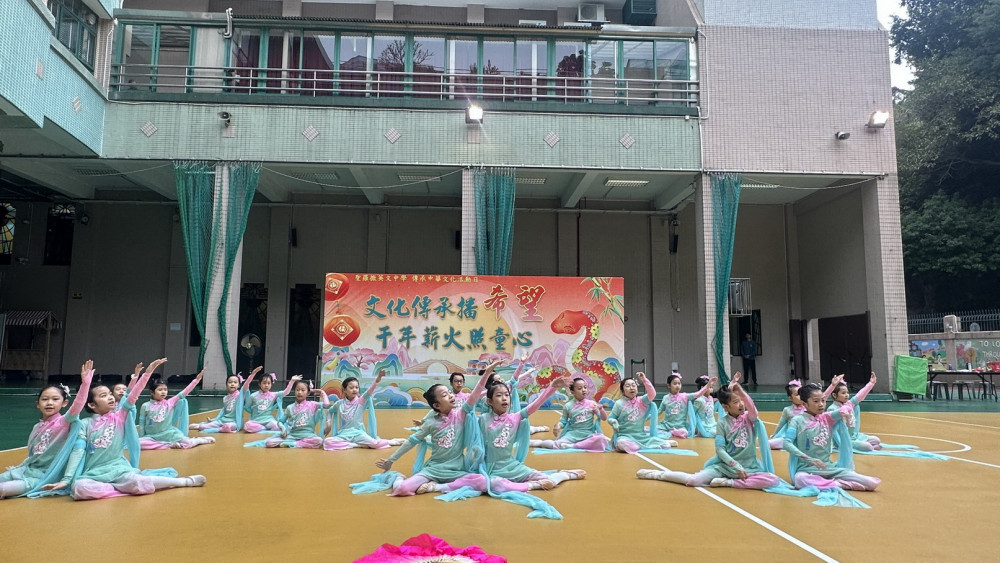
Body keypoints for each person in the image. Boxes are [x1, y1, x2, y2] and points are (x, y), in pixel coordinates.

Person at [42, 358, 207, 500]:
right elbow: (77, 452)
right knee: (80, 488)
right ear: (91, 405)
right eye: (103, 396)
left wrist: (147, 373)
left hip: (119, 469)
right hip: (94, 473)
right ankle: (120, 489)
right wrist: (67, 479)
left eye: (110, 394)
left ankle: (183, 481)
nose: (110, 397)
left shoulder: (119, 416)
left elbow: (132, 395)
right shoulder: (84, 424)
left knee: (138, 481)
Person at [373, 361, 502, 496]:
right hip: (434, 469)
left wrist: (487, 373)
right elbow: (411, 441)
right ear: (436, 405)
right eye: (445, 395)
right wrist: (391, 460)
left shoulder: (461, 414)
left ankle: (436, 487)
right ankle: (398, 478)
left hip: (457, 469)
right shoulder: (430, 423)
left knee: (482, 481)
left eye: (449, 393)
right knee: (402, 489)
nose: (451, 395)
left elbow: (476, 393)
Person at [637, 372, 780, 489]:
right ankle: (657, 474)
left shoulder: (749, 418)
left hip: (750, 468)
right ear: (725, 407)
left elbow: (753, 410)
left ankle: (730, 483)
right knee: (693, 481)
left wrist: (741, 393)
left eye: (742, 401)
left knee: (773, 480)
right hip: (725, 466)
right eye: (736, 402)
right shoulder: (722, 423)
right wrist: (735, 465)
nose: (741, 404)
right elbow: (720, 450)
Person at [0, 361, 94, 499]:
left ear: (64, 403)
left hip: (43, 477)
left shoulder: (63, 422)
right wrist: (19, 466)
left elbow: (78, 405)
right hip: (26, 470)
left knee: (2, 489)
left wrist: (85, 384)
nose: (49, 403)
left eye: (55, 399)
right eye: (45, 399)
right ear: (38, 404)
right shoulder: (37, 427)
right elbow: (33, 455)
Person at [479, 376, 585, 492]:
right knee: (493, 484)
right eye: (499, 395)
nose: (504, 398)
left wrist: (552, 387)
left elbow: (535, 405)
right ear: (489, 401)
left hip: (511, 466)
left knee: (547, 479)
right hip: (489, 469)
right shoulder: (482, 419)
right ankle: (533, 485)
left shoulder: (515, 418)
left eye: (507, 395)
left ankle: (564, 475)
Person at [782, 375, 881, 491]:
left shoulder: (827, 418)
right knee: (800, 480)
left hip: (828, 467)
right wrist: (809, 459)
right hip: (806, 469)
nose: (821, 404)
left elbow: (851, 403)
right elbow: (786, 443)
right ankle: (839, 484)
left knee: (871, 483)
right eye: (816, 401)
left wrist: (870, 384)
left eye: (823, 401)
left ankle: (830, 483)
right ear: (804, 404)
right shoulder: (797, 421)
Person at [324, 370, 405, 450]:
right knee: (327, 442)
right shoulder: (339, 403)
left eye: (356, 387)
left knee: (375, 443)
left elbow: (370, 390)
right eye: (351, 388)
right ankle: (356, 445)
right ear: (344, 390)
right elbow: (330, 412)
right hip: (344, 434)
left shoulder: (360, 401)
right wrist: (328, 424)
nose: (354, 390)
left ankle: (393, 441)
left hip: (358, 433)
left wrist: (378, 378)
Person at [138, 370, 215, 449]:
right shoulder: (145, 406)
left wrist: (196, 380)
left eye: (165, 389)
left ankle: (200, 440)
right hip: (151, 436)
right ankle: (168, 445)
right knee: (138, 443)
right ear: (152, 392)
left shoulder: (170, 403)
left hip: (168, 433)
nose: (163, 392)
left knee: (188, 443)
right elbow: (142, 424)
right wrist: (142, 436)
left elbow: (184, 392)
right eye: (160, 390)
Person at [530, 377, 609, 452]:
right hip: (572, 435)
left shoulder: (592, 404)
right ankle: (538, 443)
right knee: (556, 444)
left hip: (588, 435)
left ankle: (573, 446)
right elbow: (563, 421)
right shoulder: (568, 406)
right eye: (579, 388)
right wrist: (558, 425)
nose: (584, 390)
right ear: (572, 392)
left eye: (585, 387)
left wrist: (601, 409)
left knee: (601, 439)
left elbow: (604, 418)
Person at [608, 373, 678, 453]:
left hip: (641, 437)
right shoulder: (619, 403)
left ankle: (653, 443)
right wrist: (613, 421)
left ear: (637, 388)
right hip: (624, 436)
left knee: (665, 445)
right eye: (627, 386)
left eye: (633, 385)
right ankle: (640, 445)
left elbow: (652, 394)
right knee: (621, 443)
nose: (631, 388)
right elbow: (610, 418)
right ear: (622, 391)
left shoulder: (642, 401)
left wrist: (644, 380)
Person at [768, 375, 843, 450]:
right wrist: (774, 435)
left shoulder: (808, 406)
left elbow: (824, 396)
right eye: (797, 395)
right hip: (793, 438)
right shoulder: (787, 410)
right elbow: (781, 424)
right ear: (790, 398)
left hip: (809, 437)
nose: (800, 396)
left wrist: (833, 385)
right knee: (769, 443)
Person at [265, 379, 330, 448]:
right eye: (297, 390)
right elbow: (280, 422)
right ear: (294, 391)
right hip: (292, 435)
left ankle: (294, 444)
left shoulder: (313, 404)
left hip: (308, 435)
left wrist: (321, 392)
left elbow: (326, 404)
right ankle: (296, 443)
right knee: (269, 443)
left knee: (319, 441)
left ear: (308, 393)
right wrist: (283, 429)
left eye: (303, 390)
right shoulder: (290, 407)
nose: (299, 392)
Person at [827, 375, 881, 451]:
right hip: (843, 439)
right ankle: (869, 446)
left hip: (853, 436)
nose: (846, 395)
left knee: (877, 440)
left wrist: (871, 383)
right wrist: (840, 444)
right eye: (843, 393)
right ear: (834, 395)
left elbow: (860, 395)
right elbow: (833, 430)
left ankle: (863, 443)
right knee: (867, 446)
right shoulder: (832, 409)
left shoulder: (849, 404)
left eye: (847, 392)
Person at [658, 373, 717, 438]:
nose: (677, 385)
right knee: (654, 430)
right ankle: (670, 431)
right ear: (669, 385)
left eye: (679, 383)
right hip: (666, 425)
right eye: (675, 384)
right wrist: (649, 416)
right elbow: (659, 411)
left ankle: (672, 432)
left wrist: (708, 384)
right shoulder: (665, 398)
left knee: (684, 433)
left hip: (679, 427)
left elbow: (698, 393)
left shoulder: (684, 396)